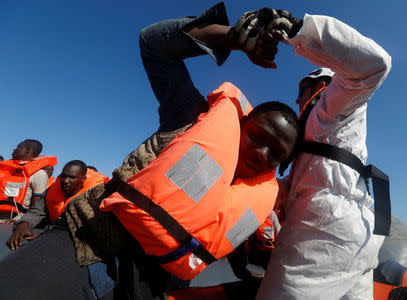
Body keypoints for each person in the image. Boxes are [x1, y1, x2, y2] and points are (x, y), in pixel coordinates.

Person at [0, 4, 300, 300]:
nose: (262, 153)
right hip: (87, 244)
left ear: (282, 165)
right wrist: (230, 37)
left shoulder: (255, 196)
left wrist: (247, 276)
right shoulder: (191, 116)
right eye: (258, 136)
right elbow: (152, 43)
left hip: (153, 286)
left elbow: (224, 238)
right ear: (243, 122)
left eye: (275, 153)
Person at [256, 11, 392, 300]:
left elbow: (376, 65)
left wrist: (299, 29)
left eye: (302, 88)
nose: (296, 99)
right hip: (362, 236)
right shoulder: (321, 133)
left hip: (324, 234)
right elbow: (312, 184)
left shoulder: (334, 103)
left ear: (322, 85)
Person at [0, 160, 107, 300]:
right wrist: (23, 223)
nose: (65, 181)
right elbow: (37, 211)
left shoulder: (99, 195)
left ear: (83, 179)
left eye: (72, 177)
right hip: (51, 232)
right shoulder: (52, 190)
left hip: (81, 240)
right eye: (63, 176)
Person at [0, 139, 56, 222]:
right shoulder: (6, 169)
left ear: (27, 151)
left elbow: (36, 205)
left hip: (15, 220)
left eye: (18, 147)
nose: (14, 149)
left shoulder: (39, 174)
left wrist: (21, 221)